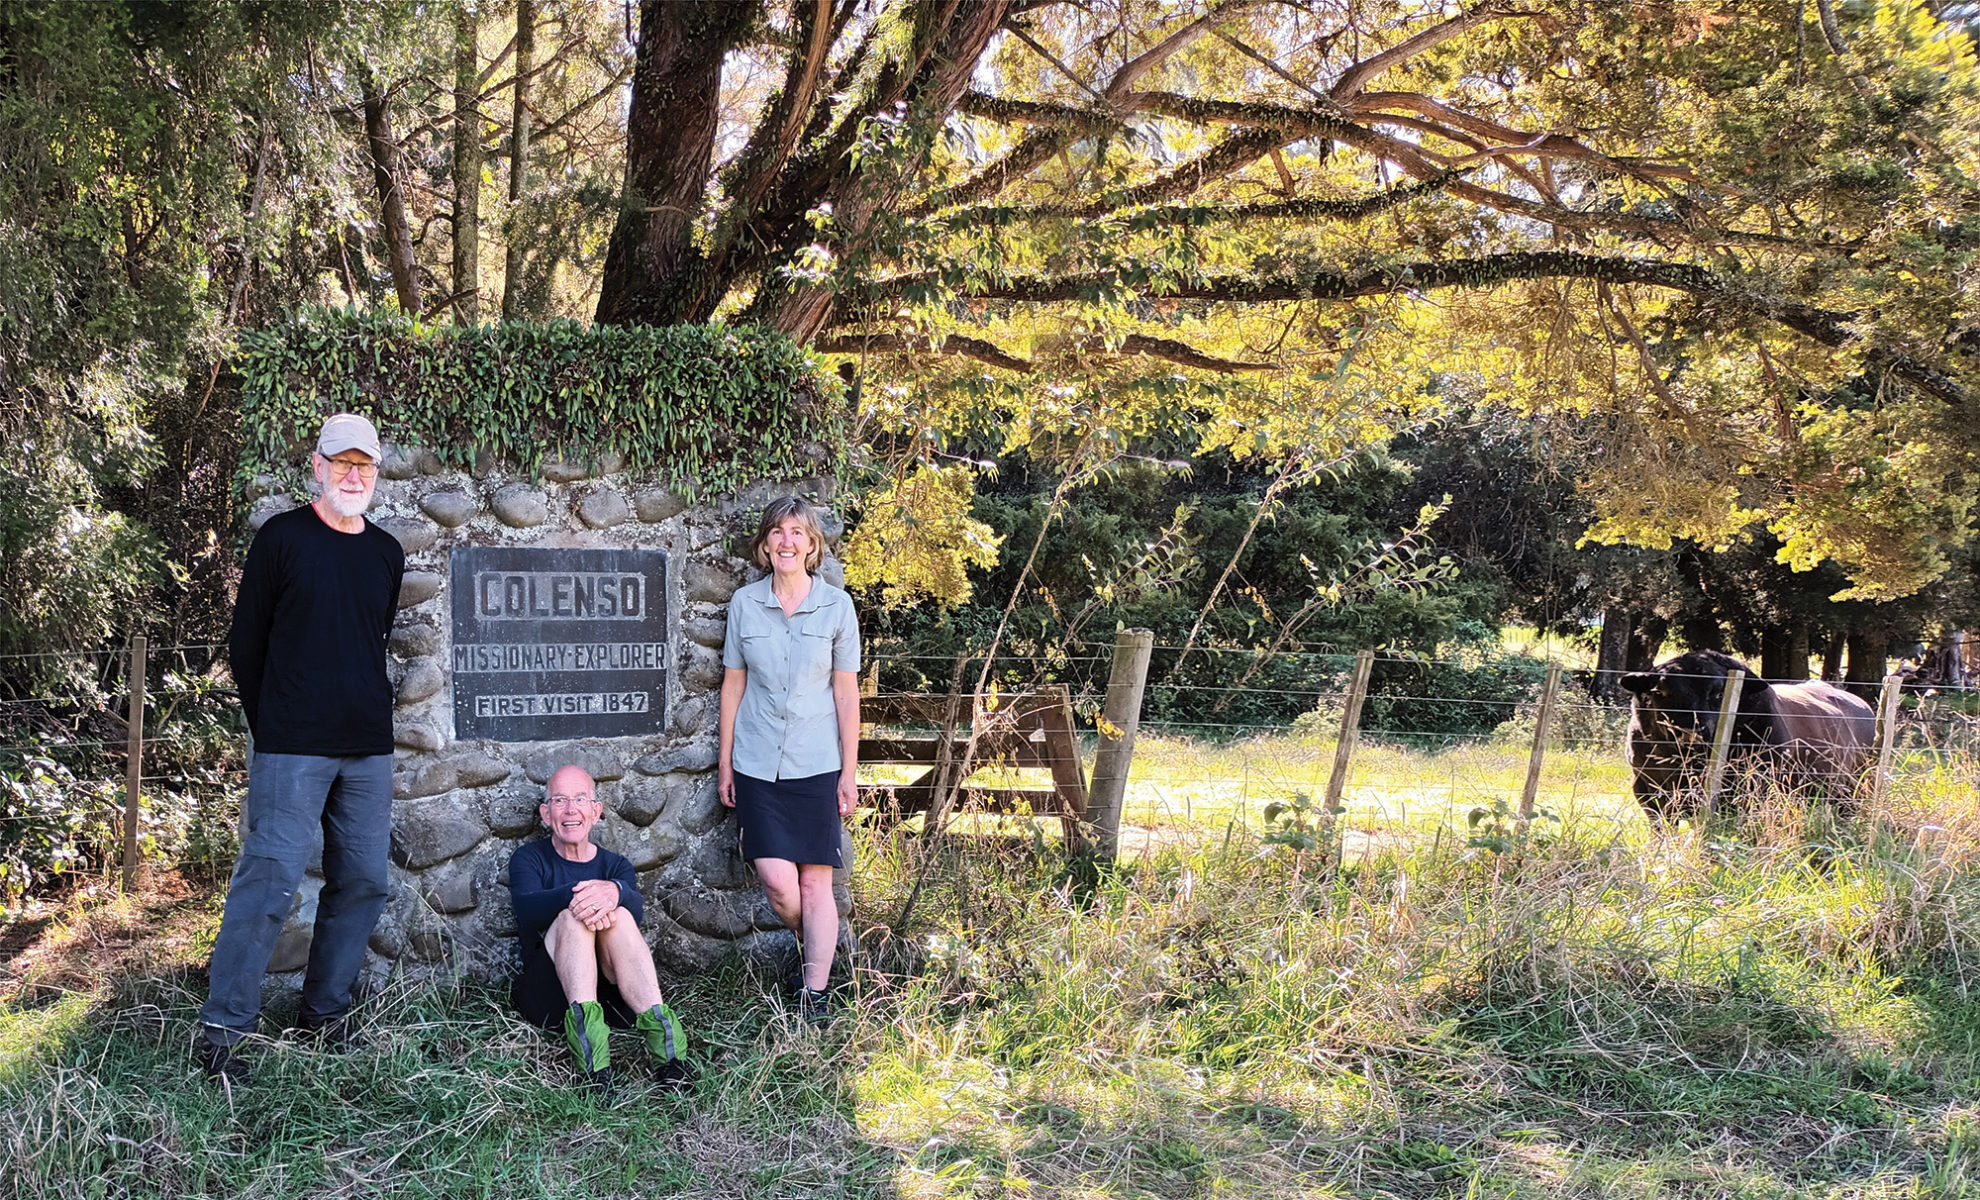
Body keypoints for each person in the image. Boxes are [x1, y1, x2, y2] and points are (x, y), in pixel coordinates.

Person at [197, 413, 405, 1080]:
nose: (353, 475)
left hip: (367, 747)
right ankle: (224, 1033)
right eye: (341, 463)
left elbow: (371, 639)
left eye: (364, 465)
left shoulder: (386, 553)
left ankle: (324, 1015)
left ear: (376, 472)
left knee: (364, 880)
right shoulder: (282, 539)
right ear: (317, 466)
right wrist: (276, 726)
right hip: (292, 747)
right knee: (269, 882)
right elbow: (246, 644)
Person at [717, 497, 860, 1022]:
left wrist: (848, 773)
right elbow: (733, 686)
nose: (786, 541)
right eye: (777, 531)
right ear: (765, 544)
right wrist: (725, 764)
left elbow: (846, 695)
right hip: (757, 763)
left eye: (797, 532)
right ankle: (822, 946)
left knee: (816, 882)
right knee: (779, 883)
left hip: (816, 762)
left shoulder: (837, 607)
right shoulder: (744, 604)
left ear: (812, 545)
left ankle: (813, 992)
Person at [508, 764, 690, 1093]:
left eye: (580, 799)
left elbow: (636, 911)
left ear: (595, 811)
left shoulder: (615, 866)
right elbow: (527, 909)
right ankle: (594, 1072)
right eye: (559, 800)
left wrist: (615, 892)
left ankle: (671, 1061)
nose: (570, 809)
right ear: (546, 814)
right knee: (573, 919)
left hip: (613, 1002)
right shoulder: (529, 858)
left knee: (620, 916)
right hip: (551, 1001)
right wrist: (583, 896)